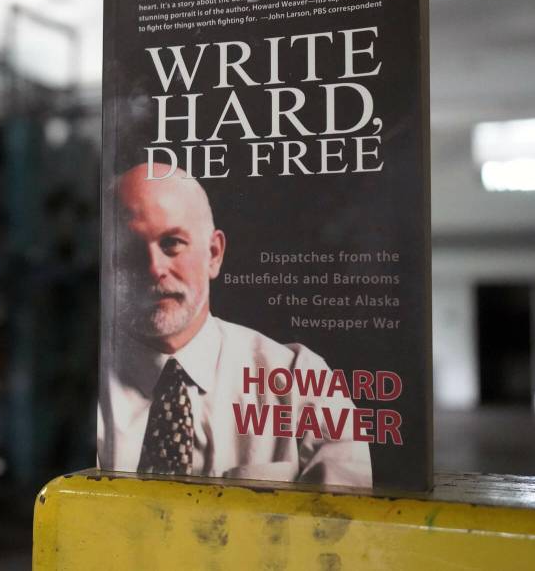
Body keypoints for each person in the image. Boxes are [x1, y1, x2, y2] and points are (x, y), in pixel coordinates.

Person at [97, 162, 372, 487]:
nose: (154, 268)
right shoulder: (80, 394)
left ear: (213, 254)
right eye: (128, 250)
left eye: (172, 243)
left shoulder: (301, 382)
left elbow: (340, 529)